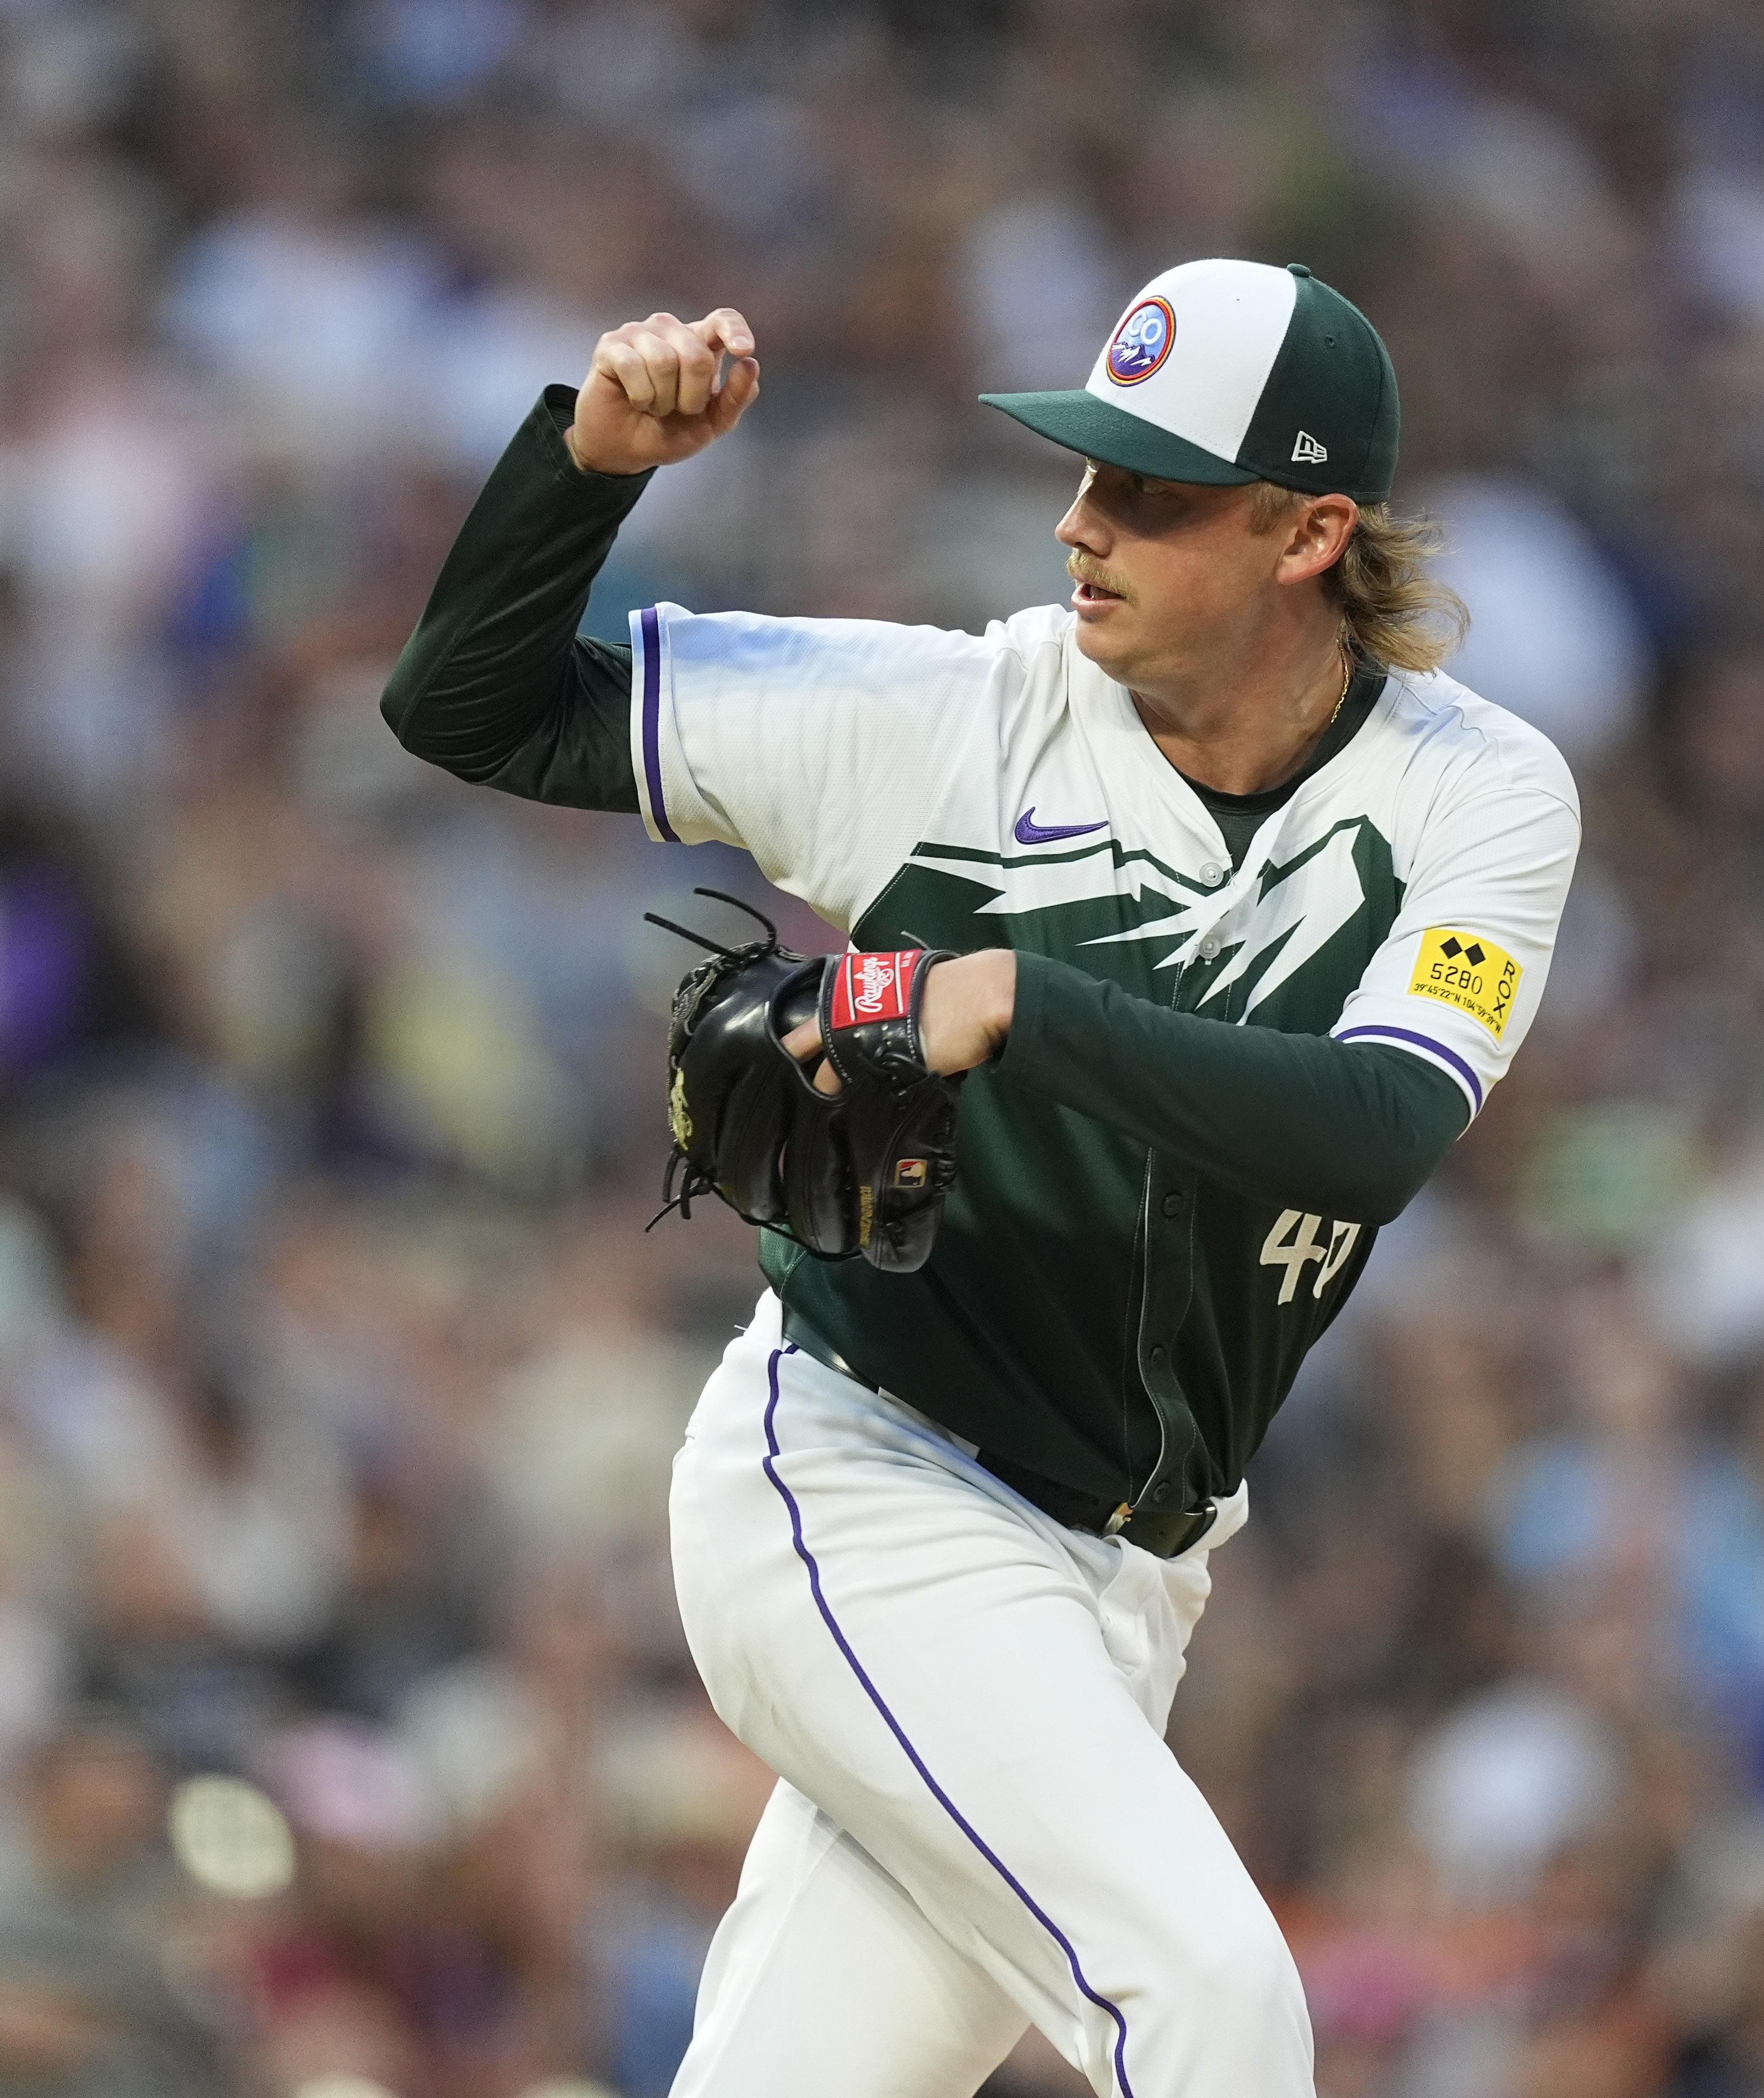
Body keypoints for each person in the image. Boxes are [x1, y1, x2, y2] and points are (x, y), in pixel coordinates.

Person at [382, 257, 1582, 2097]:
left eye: (1152, 493)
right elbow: (468, 704)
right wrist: (590, 465)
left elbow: (1376, 1131)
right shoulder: (960, 719)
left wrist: (1015, 998)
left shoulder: (1475, 795)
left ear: (1310, 531)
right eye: (1086, 465)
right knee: (1216, 2005)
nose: (1081, 520)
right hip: (866, 1479)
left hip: (1123, 1578)